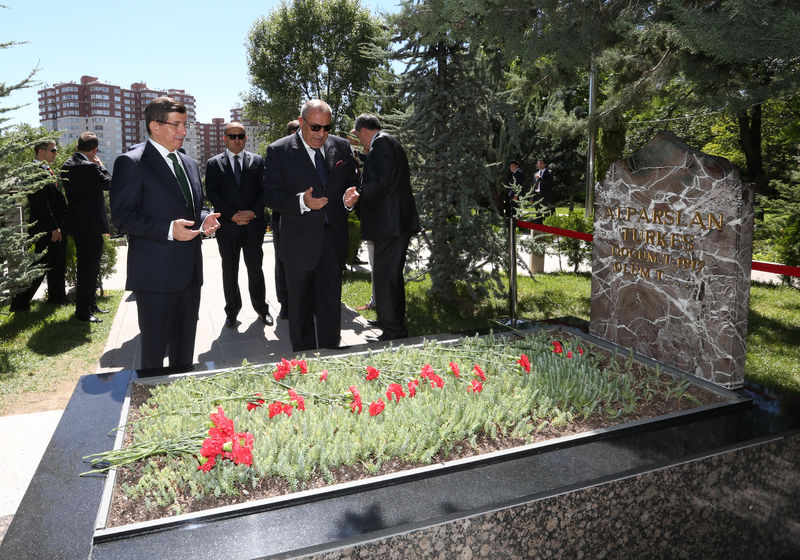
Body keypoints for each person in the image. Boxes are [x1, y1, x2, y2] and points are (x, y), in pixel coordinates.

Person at [110, 96, 220, 370]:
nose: (183, 131)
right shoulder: (131, 163)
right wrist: (169, 230)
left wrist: (204, 219)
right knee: (153, 360)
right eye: (176, 125)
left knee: (184, 356)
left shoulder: (190, 163)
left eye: (185, 125)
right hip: (155, 278)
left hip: (190, 276)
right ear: (154, 126)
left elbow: (194, 208)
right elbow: (123, 217)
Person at [264, 99, 358, 352]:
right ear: (302, 122)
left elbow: (351, 184)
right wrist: (301, 202)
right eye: (315, 127)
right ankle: (304, 359)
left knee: (330, 303)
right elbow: (270, 196)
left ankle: (330, 353)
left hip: (333, 240)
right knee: (300, 306)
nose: (322, 134)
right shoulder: (279, 151)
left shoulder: (341, 147)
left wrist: (350, 200)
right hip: (299, 243)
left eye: (327, 127)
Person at [350, 113, 420, 341]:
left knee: (387, 277)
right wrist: (360, 156)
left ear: (364, 130)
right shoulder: (386, 144)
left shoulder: (382, 144)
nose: (360, 141)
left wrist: (358, 194)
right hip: (392, 224)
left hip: (391, 225)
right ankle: (388, 321)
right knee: (388, 277)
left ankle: (394, 330)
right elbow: (380, 169)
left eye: (359, 137)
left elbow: (381, 182)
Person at [205, 122, 273, 329]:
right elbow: (212, 192)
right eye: (232, 136)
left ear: (245, 138)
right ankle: (232, 312)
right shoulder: (214, 163)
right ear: (224, 138)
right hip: (228, 227)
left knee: (255, 269)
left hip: (253, 226)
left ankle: (262, 309)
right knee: (229, 270)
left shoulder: (258, 160)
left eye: (240, 136)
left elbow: (265, 190)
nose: (237, 139)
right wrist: (232, 215)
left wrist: (253, 212)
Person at [61, 132, 113, 322]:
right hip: (91, 225)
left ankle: (90, 304)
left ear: (77, 147)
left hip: (77, 224)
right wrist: (102, 166)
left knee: (87, 267)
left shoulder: (66, 165)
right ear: (95, 150)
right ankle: (83, 311)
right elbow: (111, 184)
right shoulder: (91, 167)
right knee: (88, 268)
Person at [10, 140, 67, 312]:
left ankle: (57, 299)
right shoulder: (34, 171)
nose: (56, 154)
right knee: (39, 267)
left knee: (57, 264)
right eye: (53, 150)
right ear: (41, 151)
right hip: (45, 228)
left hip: (55, 226)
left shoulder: (46, 170)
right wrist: (53, 227)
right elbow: (40, 204)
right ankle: (19, 304)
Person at [270, 119, 300, 321]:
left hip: (308, 220)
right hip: (282, 216)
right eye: (292, 132)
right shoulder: (279, 154)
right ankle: (286, 304)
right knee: (282, 262)